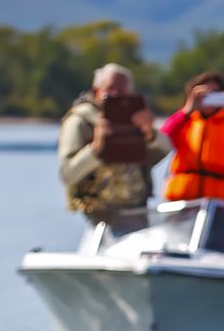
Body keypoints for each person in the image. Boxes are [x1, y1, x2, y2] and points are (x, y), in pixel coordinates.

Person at [57, 63, 168, 231]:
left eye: (122, 91)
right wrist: (96, 148)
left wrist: (150, 133)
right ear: (96, 90)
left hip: (136, 212)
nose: (116, 94)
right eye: (110, 89)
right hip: (99, 219)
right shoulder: (80, 122)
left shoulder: (136, 122)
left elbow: (162, 153)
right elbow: (68, 174)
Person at [160, 71, 224, 204]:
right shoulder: (184, 120)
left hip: (221, 204)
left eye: (215, 92)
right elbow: (161, 140)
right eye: (204, 93)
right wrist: (187, 110)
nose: (209, 96)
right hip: (183, 201)